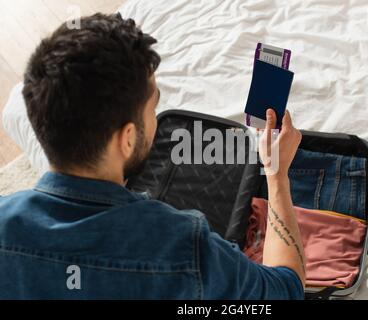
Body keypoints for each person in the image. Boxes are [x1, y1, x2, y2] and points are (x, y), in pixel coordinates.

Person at [0, 13, 305, 299]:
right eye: (152, 107)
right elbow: (286, 289)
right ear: (128, 138)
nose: (156, 119)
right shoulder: (184, 249)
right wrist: (276, 174)